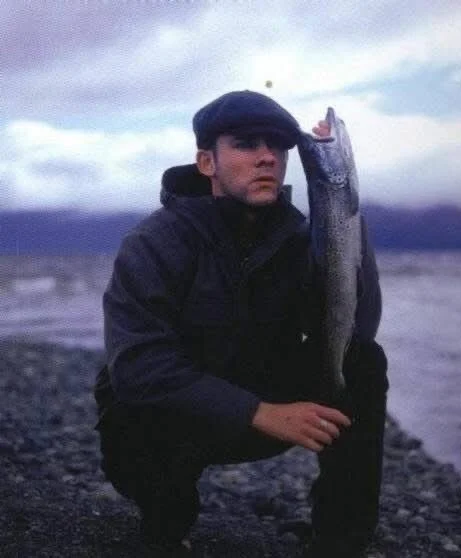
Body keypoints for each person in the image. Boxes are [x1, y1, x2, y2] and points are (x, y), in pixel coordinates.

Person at [94, 90, 388, 558]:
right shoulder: (154, 243)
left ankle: (341, 539)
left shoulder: (301, 241)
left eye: (278, 146)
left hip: (267, 394)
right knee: (125, 393)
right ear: (207, 162)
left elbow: (357, 328)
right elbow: (138, 367)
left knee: (363, 362)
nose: (267, 157)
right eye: (246, 144)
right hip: (184, 419)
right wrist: (260, 412)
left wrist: (343, 212)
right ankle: (165, 520)